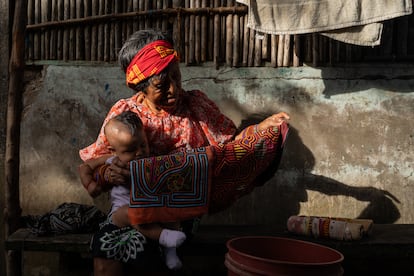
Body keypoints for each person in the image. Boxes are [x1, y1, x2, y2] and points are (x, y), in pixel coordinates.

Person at [79, 29, 290, 276]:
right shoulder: (124, 115)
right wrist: (111, 173)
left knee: (146, 246)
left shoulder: (196, 105)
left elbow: (228, 152)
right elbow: (98, 167)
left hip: (178, 215)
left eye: (177, 78)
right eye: (161, 86)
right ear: (141, 87)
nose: (173, 90)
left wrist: (259, 131)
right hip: (130, 211)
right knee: (108, 250)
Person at [79, 111, 187, 270]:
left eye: (143, 145)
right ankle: (163, 237)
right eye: (130, 150)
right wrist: (90, 185)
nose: (139, 152)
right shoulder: (112, 160)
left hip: (151, 210)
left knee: (171, 212)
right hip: (121, 215)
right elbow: (84, 167)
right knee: (130, 212)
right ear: (113, 150)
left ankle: (171, 252)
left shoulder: (152, 161)